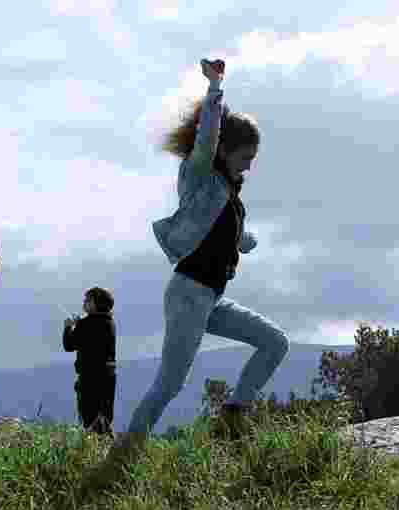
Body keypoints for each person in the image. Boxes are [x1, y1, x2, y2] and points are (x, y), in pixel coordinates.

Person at [117, 58, 290, 454]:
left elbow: (225, 232)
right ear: (225, 150)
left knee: (275, 342)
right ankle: (126, 450)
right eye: (246, 156)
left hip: (210, 297)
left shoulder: (229, 193)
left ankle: (234, 412)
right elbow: (206, 139)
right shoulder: (200, 176)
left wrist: (245, 240)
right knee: (170, 382)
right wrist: (215, 87)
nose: (250, 165)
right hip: (188, 292)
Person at [63, 287, 117, 436]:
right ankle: (112, 448)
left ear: (95, 304)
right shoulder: (110, 323)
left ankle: (94, 451)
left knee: (89, 418)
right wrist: (80, 324)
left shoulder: (85, 324)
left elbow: (69, 345)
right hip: (108, 377)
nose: (84, 303)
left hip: (89, 379)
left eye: (87, 300)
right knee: (104, 418)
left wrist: (68, 327)